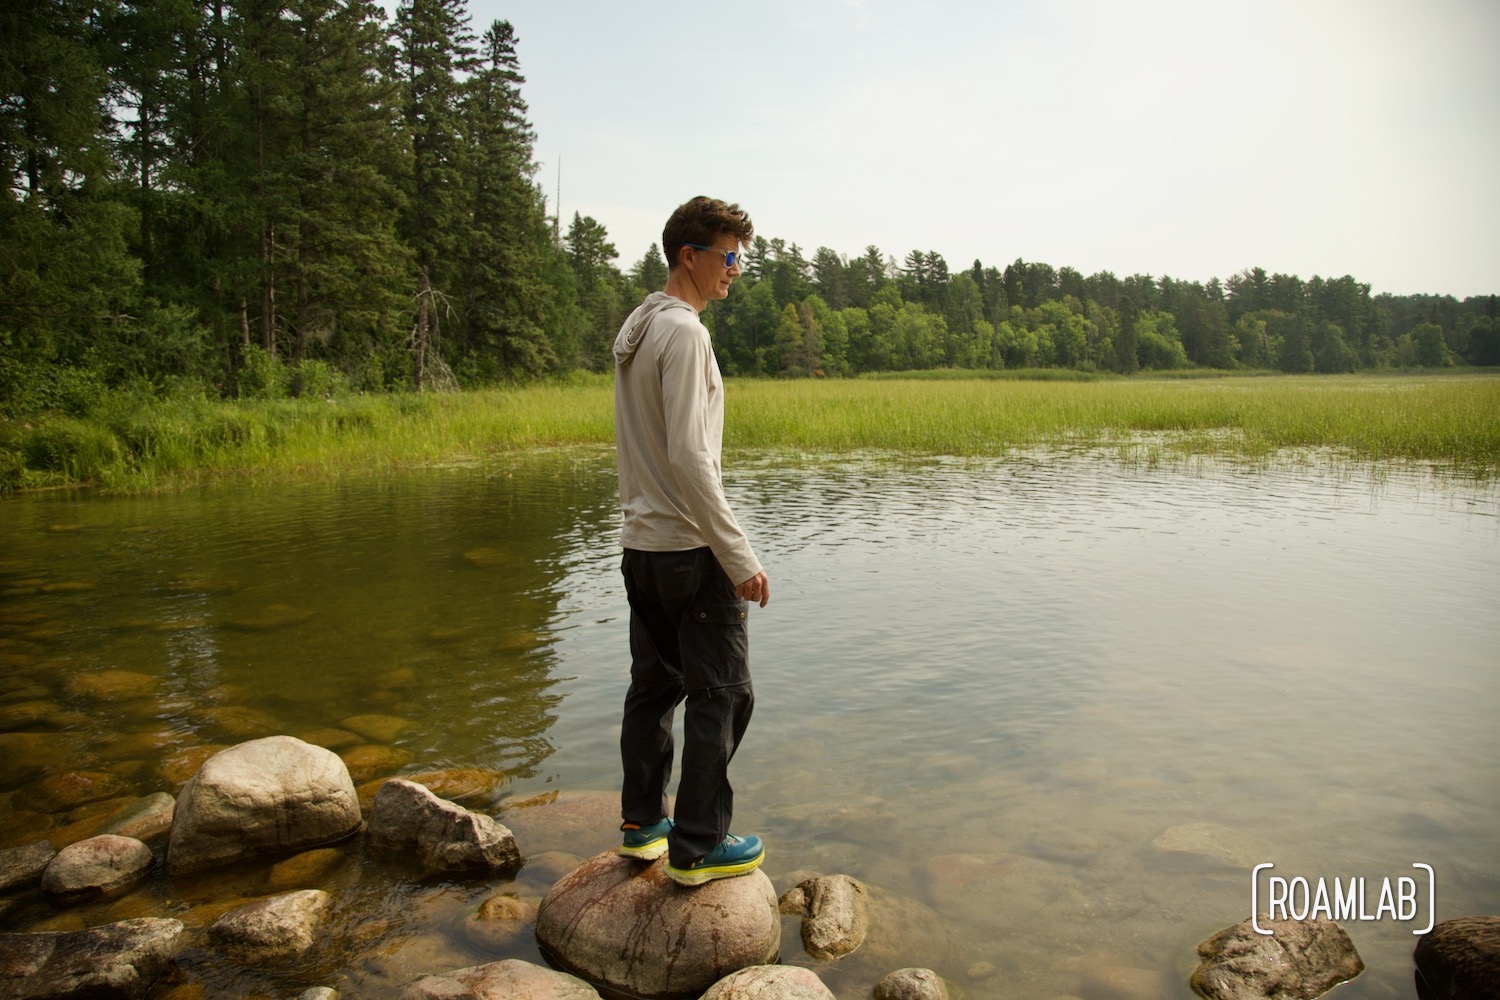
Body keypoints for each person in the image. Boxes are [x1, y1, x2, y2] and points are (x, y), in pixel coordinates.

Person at [612, 195, 770, 887]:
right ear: (691, 255)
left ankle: (644, 823)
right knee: (724, 693)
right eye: (731, 256)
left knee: (655, 684)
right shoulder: (685, 333)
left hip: (641, 548)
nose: (737, 269)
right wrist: (739, 557)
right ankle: (699, 846)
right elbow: (689, 456)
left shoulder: (640, 328)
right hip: (687, 549)